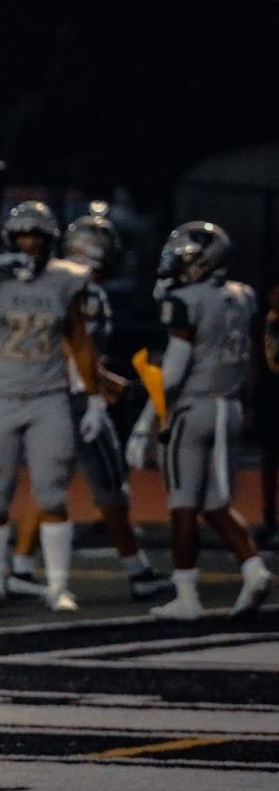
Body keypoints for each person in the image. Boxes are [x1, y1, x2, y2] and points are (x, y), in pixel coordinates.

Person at [0, 202, 105, 613]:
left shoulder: (65, 280)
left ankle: (57, 586)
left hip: (47, 396)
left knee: (53, 494)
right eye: (21, 236)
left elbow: (79, 340)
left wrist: (94, 399)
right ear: (10, 240)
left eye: (36, 235)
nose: (29, 243)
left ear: (49, 240)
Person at [13, 216, 172, 600]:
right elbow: (72, 348)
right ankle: (138, 571)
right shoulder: (82, 292)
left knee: (49, 484)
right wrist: (97, 389)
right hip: (75, 400)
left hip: (47, 395)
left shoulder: (52, 286)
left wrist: (106, 381)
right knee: (111, 488)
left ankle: (18, 567)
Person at [126, 222, 271, 620]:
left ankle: (187, 596)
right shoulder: (242, 296)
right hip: (231, 406)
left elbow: (171, 375)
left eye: (185, 259)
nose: (177, 266)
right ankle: (254, 568)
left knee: (183, 505)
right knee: (215, 503)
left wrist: (141, 410)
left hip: (193, 410)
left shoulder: (186, 301)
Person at [257, 280, 279, 551]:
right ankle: (268, 518)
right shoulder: (262, 323)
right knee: (269, 459)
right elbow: (256, 362)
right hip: (270, 396)